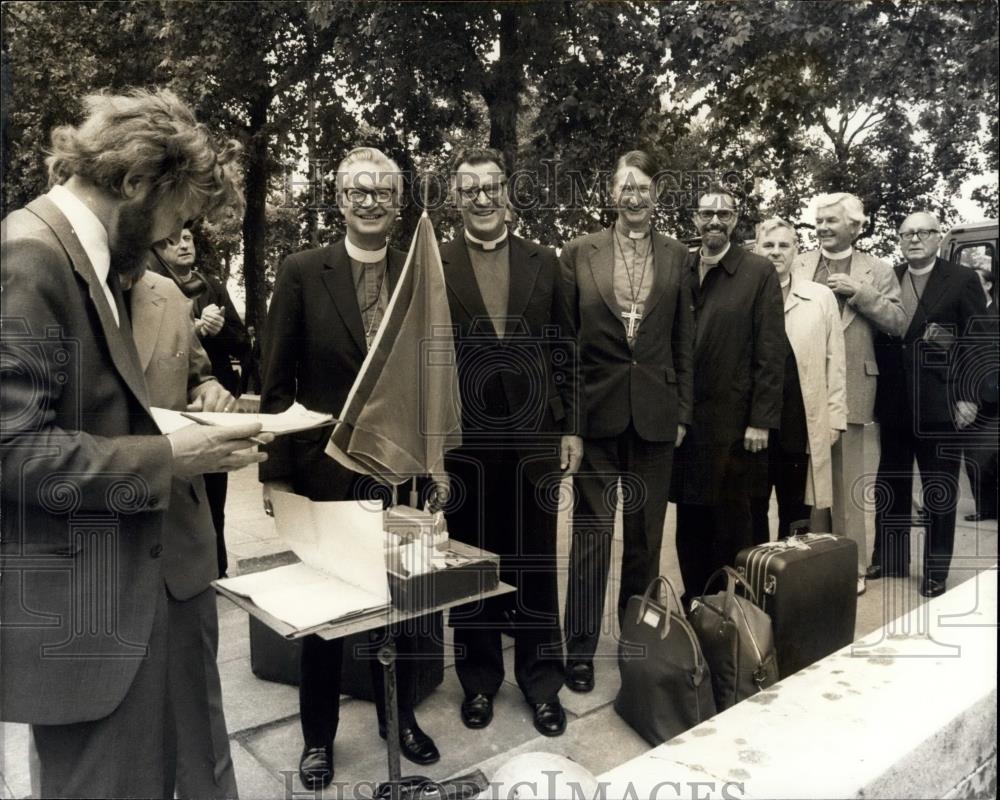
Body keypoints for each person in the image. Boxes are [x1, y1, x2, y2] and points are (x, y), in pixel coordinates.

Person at [0, 88, 266, 799]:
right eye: (173, 219)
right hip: (89, 615)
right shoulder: (30, 257)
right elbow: (11, 451)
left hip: (154, 583)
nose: (166, 241)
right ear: (135, 182)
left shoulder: (93, 257)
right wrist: (169, 458)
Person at [259, 146, 440, 791]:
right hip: (326, 475)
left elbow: (431, 377)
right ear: (338, 200)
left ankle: (402, 722)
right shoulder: (303, 271)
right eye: (357, 192)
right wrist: (277, 479)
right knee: (328, 617)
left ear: (397, 203)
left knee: (407, 605)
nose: (369, 203)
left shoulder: (418, 276)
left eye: (382, 192)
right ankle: (318, 739)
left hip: (402, 476)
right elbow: (276, 385)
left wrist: (436, 463)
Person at [440, 146, 582, 737]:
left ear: (507, 192)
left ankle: (542, 682)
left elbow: (565, 348)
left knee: (534, 561)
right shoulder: (433, 263)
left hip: (533, 438)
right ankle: (478, 682)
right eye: (469, 189)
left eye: (490, 187)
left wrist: (571, 425)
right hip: (465, 440)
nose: (481, 197)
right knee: (473, 565)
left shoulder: (544, 261)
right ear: (456, 197)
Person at [559, 150, 693, 693]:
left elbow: (685, 340)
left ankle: (636, 641)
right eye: (625, 188)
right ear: (611, 193)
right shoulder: (578, 253)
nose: (633, 197)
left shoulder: (678, 257)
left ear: (656, 195)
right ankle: (581, 651)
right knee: (591, 536)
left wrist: (682, 410)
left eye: (643, 188)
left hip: (657, 418)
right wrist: (569, 421)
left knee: (644, 538)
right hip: (596, 414)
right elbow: (565, 345)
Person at [129, 267, 239, 798]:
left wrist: (212, 390)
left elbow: (199, 376)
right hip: (92, 561)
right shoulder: (38, 276)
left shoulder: (168, 292)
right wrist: (166, 456)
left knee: (201, 725)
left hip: (182, 546)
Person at [669, 185, 785, 606]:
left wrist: (761, 419)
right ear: (694, 220)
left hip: (737, 427)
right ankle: (698, 604)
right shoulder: (679, 267)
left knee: (736, 524)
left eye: (725, 214)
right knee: (691, 521)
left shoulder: (757, 271)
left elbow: (770, 352)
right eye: (706, 214)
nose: (715, 221)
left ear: (736, 220)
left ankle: (740, 614)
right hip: (688, 425)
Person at [792, 193, 905, 594]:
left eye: (831, 221)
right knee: (806, 482)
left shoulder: (878, 269)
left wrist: (861, 292)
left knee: (846, 482)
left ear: (856, 226)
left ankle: (852, 568)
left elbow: (898, 322)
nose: (822, 227)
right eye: (819, 220)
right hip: (802, 385)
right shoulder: (799, 262)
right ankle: (809, 561)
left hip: (854, 385)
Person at [870, 212, 987, 597]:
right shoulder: (892, 275)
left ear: (938, 237)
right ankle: (889, 558)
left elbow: (978, 343)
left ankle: (936, 571)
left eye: (922, 232)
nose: (914, 239)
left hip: (941, 402)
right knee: (892, 482)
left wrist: (969, 396)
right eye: (906, 233)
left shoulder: (962, 279)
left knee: (940, 487)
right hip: (894, 402)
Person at [152, 226, 250, 578]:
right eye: (170, 239)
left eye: (188, 238)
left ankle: (217, 569)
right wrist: (193, 328)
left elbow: (241, 341)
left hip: (212, 409)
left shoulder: (212, 286)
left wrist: (218, 327)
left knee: (215, 494)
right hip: (171, 413)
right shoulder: (146, 287)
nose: (181, 245)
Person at [750, 218, 847, 545]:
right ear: (756, 248)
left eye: (783, 245)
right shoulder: (745, 295)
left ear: (796, 251)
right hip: (753, 425)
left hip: (799, 421)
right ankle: (754, 574)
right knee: (752, 506)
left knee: (796, 510)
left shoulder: (819, 297)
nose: (776, 252)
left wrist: (835, 416)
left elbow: (835, 360)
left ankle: (788, 580)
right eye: (768, 245)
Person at [962, 266, 998, 522]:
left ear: (988, 285)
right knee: (973, 455)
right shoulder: (963, 313)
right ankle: (984, 507)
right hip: (970, 394)